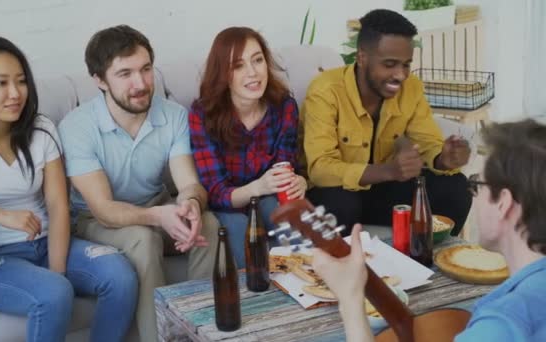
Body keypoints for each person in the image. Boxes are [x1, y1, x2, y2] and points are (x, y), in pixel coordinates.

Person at [0, 35, 137, 342]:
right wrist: (0, 215)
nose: (15, 93)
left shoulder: (41, 128)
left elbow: (58, 206)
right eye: (1, 83)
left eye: (21, 81)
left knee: (121, 276)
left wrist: (57, 272)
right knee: (54, 294)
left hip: (47, 244)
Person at [313, 119, 546, 341]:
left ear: (503, 203)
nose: (474, 194)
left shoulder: (500, 326)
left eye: (477, 184)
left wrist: (350, 299)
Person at [57, 25, 219, 342]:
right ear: (99, 80)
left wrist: (191, 205)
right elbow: (103, 209)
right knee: (143, 241)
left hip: (156, 205)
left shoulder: (172, 115)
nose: (141, 83)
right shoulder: (77, 127)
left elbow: (189, 183)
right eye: (125, 74)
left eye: (146, 70)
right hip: (95, 220)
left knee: (209, 225)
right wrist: (159, 216)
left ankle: (201, 330)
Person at [301, 9, 471, 236]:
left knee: (456, 188)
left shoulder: (411, 88)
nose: (400, 75)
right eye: (390, 64)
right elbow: (320, 169)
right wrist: (388, 171)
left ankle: (429, 259)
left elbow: (428, 141)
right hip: (337, 193)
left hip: (384, 192)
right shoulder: (325, 91)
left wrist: (444, 159)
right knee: (340, 205)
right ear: (362, 58)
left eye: (406, 64)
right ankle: (347, 267)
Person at [189, 26, 307, 268]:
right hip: (227, 204)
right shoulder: (203, 114)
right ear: (222, 73)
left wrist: (298, 182)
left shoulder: (284, 105)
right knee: (244, 235)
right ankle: (259, 301)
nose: (253, 73)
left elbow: (285, 166)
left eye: (258, 60)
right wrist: (258, 186)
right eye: (238, 65)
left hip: (267, 196)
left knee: (291, 224)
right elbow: (215, 192)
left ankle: (308, 292)